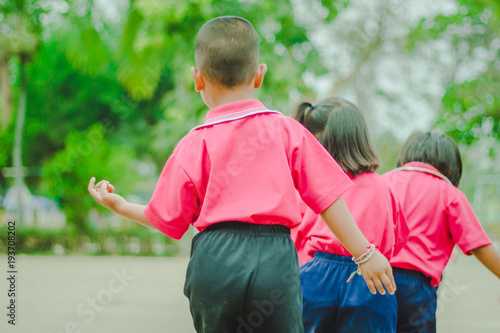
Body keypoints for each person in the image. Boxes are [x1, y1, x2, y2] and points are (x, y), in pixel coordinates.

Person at [88, 16, 395, 333]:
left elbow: (166, 218)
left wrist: (119, 205)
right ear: (259, 74)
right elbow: (327, 200)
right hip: (274, 257)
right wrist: (365, 252)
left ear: (198, 79)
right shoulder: (286, 130)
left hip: (214, 258)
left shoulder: (194, 142)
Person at [292, 97, 408, 333]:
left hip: (315, 277)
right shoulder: (383, 186)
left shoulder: (308, 187)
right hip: (370, 279)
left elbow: (295, 239)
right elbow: (397, 240)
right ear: (361, 139)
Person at [383, 131, 500, 333]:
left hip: (373, 278)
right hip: (415, 288)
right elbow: (479, 244)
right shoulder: (449, 193)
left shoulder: (382, 182)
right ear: (453, 167)